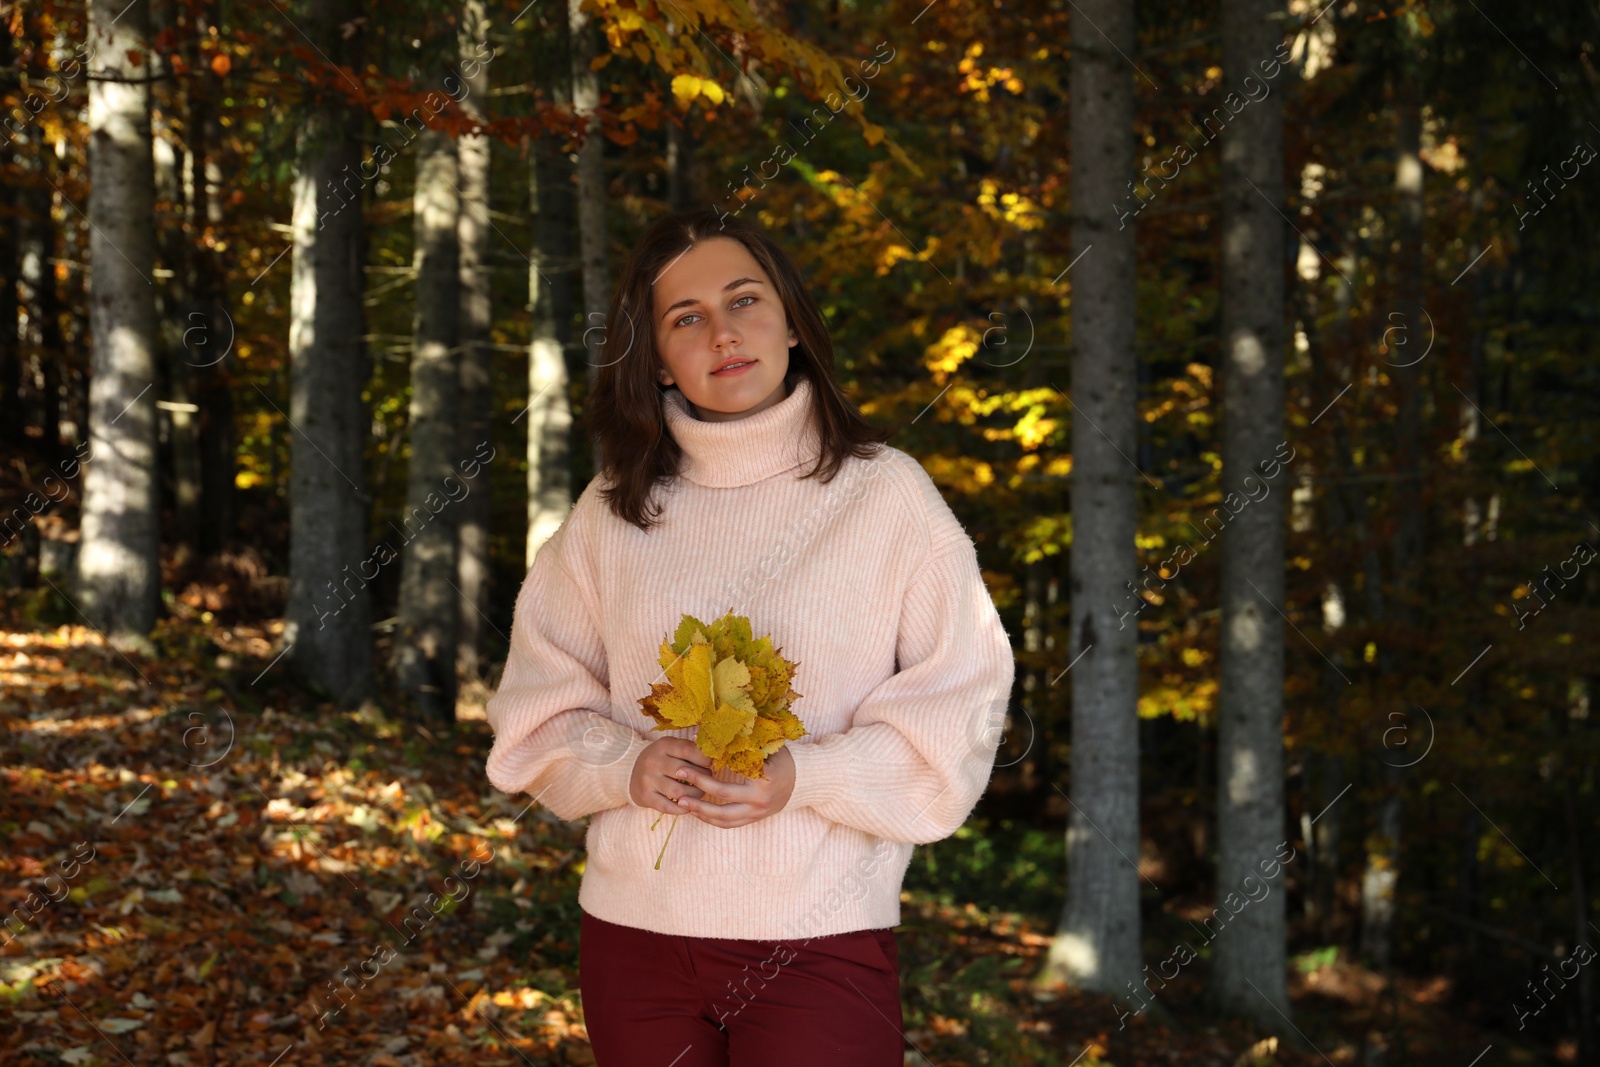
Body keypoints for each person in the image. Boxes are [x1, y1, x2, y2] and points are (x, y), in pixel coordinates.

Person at [483, 207, 1015, 1067]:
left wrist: (807, 773)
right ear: (654, 356)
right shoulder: (613, 509)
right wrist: (626, 763)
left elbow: (962, 706)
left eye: (744, 300)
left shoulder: (886, 497)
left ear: (794, 322)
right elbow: (536, 710)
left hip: (819, 939)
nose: (722, 333)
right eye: (685, 317)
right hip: (634, 940)